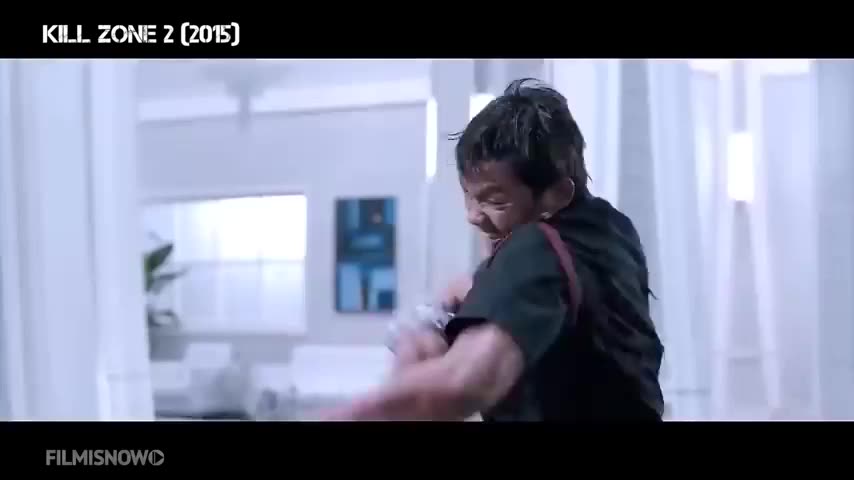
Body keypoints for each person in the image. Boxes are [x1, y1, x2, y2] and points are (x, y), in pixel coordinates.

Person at [322, 78, 665, 421]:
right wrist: (445, 312)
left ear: (557, 195)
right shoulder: (613, 230)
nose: (473, 216)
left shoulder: (535, 246)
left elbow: (461, 386)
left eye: (495, 200)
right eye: (469, 196)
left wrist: (345, 416)